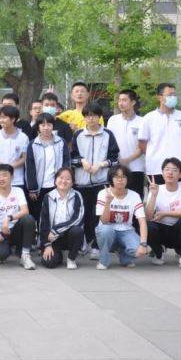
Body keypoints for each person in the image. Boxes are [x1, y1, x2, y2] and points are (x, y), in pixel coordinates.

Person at [71, 102, 119, 260]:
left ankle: (97, 247)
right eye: (87, 116)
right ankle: (84, 243)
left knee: (99, 214)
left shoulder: (108, 134)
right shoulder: (78, 135)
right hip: (82, 182)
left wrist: (100, 165)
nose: (90, 119)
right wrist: (82, 161)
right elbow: (72, 157)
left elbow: (114, 159)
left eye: (94, 116)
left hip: (102, 182)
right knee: (83, 214)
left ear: (99, 117)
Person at [145, 158, 181, 271]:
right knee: (147, 226)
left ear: (180, 175)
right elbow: (149, 217)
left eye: (174, 170)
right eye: (167, 169)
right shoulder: (156, 188)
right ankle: (159, 252)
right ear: (162, 173)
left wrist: (165, 213)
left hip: (178, 231)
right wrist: (154, 195)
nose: (170, 173)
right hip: (161, 230)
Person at [94, 165, 148, 269]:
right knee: (105, 230)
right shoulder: (103, 193)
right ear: (111, 179)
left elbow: (142, 222)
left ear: (127, 179)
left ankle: (124, 254)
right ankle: (104, 261)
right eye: (116, 177)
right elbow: (104, 221)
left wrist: (143, 244)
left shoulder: (134, 195)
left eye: (123, 177)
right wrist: (108, 203)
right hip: (108, 230)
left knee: (139, 250)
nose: (120, 180)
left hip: (126, 230)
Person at [138, 83, 181, 184]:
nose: (173, 97)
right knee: (157, 193)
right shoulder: (149, 118)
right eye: (170, 95)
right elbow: (142, 144)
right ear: (159, 97)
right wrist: (154, 154)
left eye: (174, 95)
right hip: (156, 168)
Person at [0, 164, 36, 269]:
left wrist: (8, 218)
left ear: (12, 176)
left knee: (29, 219)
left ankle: (25, 255)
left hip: (16, 229)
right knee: (1, 255)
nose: (1, 178)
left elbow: (25, 211)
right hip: (1, 233)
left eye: (4, 175)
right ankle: (7, 250)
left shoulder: (18, 191)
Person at [26, 113, 70, 223]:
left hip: (57, 185)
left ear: (53, 126)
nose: (46, 128)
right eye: (43, 125)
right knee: (41, 215)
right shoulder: (33, 144)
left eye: (49, 125)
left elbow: (66, 162)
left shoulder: (61, 142)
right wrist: (32, 188)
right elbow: (30, 167)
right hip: (40, 187)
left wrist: (65, 182)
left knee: (57, 215)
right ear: (38, 127)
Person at [39, 167, 84, 269]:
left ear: (72, 182)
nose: (63, 181)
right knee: (49, 262)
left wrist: (56, 230)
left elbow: (78, 219)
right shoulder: (48, 196)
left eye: (68, 179)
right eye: (61, 178)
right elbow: (43, 222)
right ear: (55, 180)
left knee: (77, 230)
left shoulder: (77, 195)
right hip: (52, 238)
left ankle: (71, 258)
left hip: (69, 236)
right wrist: (47, 245)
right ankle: (58, 255)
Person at [106, 89, 145, 198]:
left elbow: (143, 146)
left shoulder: (142, 121)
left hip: (136, 167)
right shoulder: (112, 120)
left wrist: (127, 160)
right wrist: (119, 159)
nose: (121, 103)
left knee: (136, 198)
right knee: (116, 199)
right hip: (116, 167)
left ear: (133, 102)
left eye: (124, 100)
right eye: (119, 100)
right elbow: (109, 143)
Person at [0, 105, 29, 192]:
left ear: (13, 119)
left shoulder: (23, 137)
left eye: (4, 117)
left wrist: (11, 166)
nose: (1, 120)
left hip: (16, 179)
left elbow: (24, 158)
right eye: (0, 117)